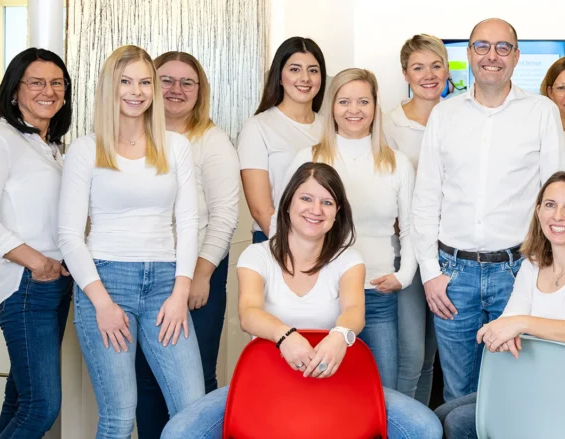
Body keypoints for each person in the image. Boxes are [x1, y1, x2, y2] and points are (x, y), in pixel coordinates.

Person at [159, 163, 442, 439]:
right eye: (306, 198)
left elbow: (354, 311)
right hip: (267, 380)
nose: (316, 210)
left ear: (337, 212)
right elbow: (249, 313)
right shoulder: (256, 256)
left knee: (425, 427)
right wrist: (285, 336)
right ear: (287, 204)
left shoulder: (349, 260)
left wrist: (339, 336)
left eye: (327, 202)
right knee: (180, 432)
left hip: (335, 380)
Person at [411, 17, 565, 402]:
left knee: (515, 393)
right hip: (452, 276)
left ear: (516, 56)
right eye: (482, 46)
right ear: (468, 54)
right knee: (458, 394)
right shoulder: (444, 115)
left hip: (518, 272)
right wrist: (430, 274)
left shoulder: (542, 112)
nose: (491, 56)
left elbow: (557, 201)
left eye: (502, 47)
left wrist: (545, 271)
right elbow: (426, 198)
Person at [57, 45, 204, 438]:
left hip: (166, 285)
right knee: (120, 417)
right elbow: (69, 235)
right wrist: (102, 304)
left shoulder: (176, 146)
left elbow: (189, 222)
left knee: (192, 410)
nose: (136, 91)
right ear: (110, 87)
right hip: (105, 283)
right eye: (126, 81)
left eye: (145, 82)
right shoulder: (85, 150)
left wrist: (180, 292)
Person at [433, 171, 565, 438]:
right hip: (537, 387)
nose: (558, 215)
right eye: (550, 205)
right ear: (538, 212)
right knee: (441, 416)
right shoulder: (533, 264)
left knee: (459, 422)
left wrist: (521, 325)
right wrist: (506, 331)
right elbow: (507, 323)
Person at [0, 47, 73, 439]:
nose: (49, 91)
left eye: (57, 83)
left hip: (56, 285)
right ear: (14, 91)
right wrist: (37, 262)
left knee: (20, 399)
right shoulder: (0, 141)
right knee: (42, 406)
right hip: (28, 285)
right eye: (36, 82)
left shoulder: (52, 148)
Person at [282, 68, 416, 387]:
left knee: (382, 389)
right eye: (344, 101)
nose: (354, 110)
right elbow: (284, 225)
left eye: (363, 101)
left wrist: (405, 274)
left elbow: (412, 227)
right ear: (331, 106)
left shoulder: (397, 163)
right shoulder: (308, 159)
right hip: (322, 295)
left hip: (377, 292)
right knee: (325, 392)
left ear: (375, 106)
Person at [131, 51, 240, 439]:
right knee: (146, 378)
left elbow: (225, 215)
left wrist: (201, 273)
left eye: (187, 82)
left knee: (196, 379)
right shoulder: (134, 136)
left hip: (198, 273)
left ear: (200, 91)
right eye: (166, 80)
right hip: (145, 274)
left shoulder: (212, 141)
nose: (176, 89)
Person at [383, 33, 448, 404]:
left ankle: (420, 425)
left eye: (436, 66)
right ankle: (399, 425)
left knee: (430, 357)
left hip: (447, 252)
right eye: (419, 68)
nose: (429, 75)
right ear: (405, 74)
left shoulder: (457, 117)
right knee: (410, 355)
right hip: (404, 251)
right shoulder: (387, 125)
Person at [239, 37, 326, 243]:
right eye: (295, 69)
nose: (305, 78)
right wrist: (294, 248)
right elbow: (260, 209)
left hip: (326, 241)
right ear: (279, 76)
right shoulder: (257, 127)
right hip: (275, 239)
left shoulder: (331, 127)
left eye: (313, 70)